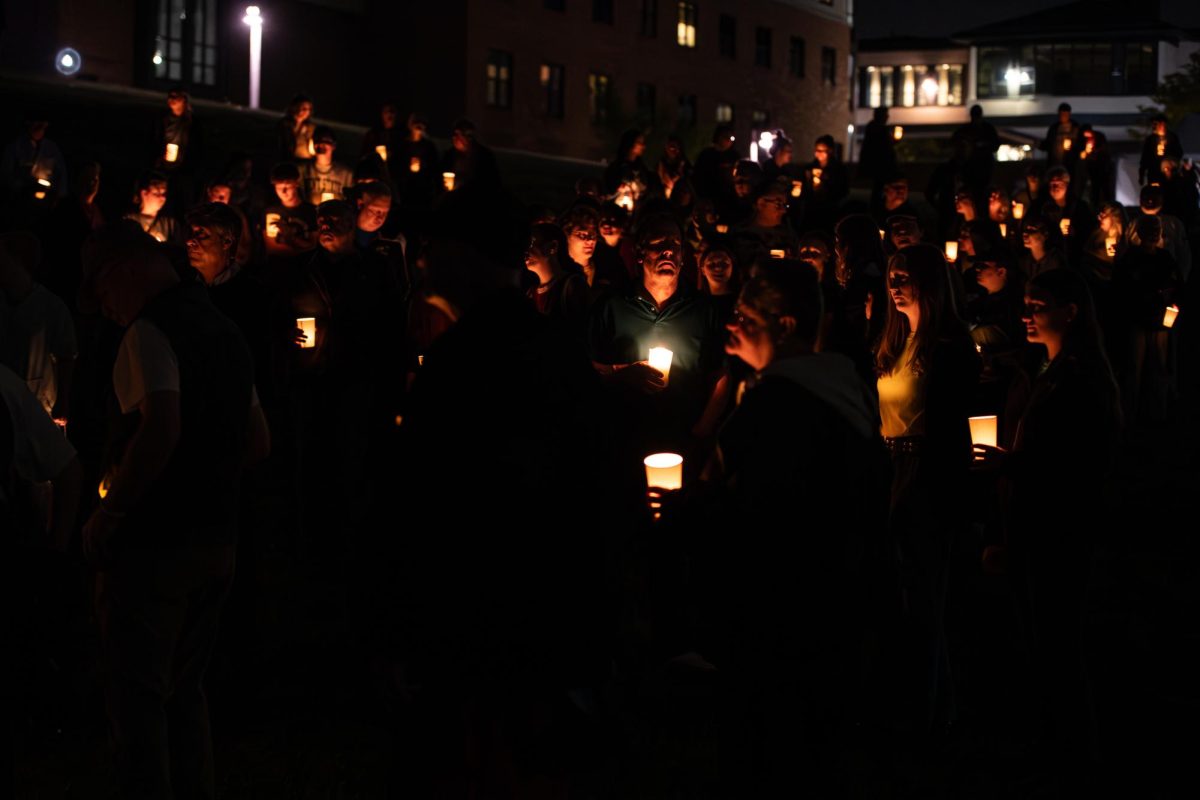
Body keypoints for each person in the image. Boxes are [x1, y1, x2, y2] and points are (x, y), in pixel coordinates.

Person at [78, 224, 269, 800]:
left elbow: (161, 424)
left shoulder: (150, 330)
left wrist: (110, 514)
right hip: (219, 541)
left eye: (104, 295)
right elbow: (258, 441)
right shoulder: (226, 331)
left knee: (138, 698)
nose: (107, 311)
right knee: (186, 689)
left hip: (155, 546)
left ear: (126, 269)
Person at [688, 262, 891, 795]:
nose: (731, 326)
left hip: (780, 622)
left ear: (784, 325)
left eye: (745, 316)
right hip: (839, 613)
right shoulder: (842, 390)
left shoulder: (779, 405)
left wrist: (689, 508)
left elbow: (755, 519)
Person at [975, 268, 1121, 788]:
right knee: (1048, 641)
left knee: (1058, 644)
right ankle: (1060, 746)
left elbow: (1072, 465)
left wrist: (1008, 465)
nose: (1026, 313)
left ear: (1070, 312)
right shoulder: (1054, 369)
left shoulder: (1078, 378)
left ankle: (1074, 757)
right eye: (1027, 304)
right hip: (1044, 527)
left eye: (1038, 305)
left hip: (1059, 532)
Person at [874, 243, 979, 734]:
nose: (895, 285)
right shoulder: (894, 342)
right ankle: (917, 699)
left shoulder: (950, 346)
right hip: (891, 466)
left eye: (905, 277)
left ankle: (936, 707)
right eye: (892, 276)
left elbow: (954, 419)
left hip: (926, 471)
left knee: (925, 592)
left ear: (930, 282)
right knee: (900, 589)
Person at [588, 215, 729, 452]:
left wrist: (703, 428)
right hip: (624, 434)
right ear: (640, 253)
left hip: (685, 434)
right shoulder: (611, 305)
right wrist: (622, 373)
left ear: (683, 256)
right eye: (658, 244)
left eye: (674, 244)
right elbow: (587, 369)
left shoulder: (704, 309)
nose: (667, 252)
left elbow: (721, 374)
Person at [0, 231, 77, 421]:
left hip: (37, 405)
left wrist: (63, 401)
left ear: (18, 260)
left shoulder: (51, 307)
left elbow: (66, 355)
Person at [1112, 215, 1179, 424]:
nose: (1152, 234)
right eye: (1147, 230)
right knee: (1134, 368)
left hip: (1160, 321)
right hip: (1137, 320)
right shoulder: (1130, 259)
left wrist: (1173, 302)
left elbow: (1177, 284)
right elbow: (1121, 289)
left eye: (1155, 230)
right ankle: (1130, 417)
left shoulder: (1165, 258)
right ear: (1139, 234)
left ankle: (1157, 414)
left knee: (1159, 366)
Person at [524, 222, 588, 337]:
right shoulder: (531, 293)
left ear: (553, 247)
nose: (526, 250)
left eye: (532, 242)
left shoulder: (572, 285)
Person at [1, 114, 68, 205]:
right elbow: (7, 174)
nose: (41, 127)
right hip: (21, 199)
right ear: (29, 124)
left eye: (43, 124)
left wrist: (58, 197)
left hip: (46, 200)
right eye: (37, 124)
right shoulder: (15, 147)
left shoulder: (52, 148)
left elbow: (61, 173)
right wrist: (24, 187)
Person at [262, 162, 318, 263]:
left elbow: (314, 247)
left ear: (297, 183)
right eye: (279, 187)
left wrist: (289, 236)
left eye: (287, 186)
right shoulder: (271, 213)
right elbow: (271, 249)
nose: (283, 192)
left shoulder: (312, 211)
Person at [952, 104, 1000, 199]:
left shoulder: (985, 129)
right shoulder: (985, 129)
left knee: (980, 194)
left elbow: (995, 145)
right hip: (972, 168)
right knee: (974, 195)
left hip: (982, 168)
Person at [803, 135, 849, 232]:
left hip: (829, 210)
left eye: (821, 150)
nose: (817, 153)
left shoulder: (838, 169)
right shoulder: (810, 168)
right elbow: (804, 190)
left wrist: (827, 181)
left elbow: (843, 190)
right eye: (816, 150)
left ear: (830, 151)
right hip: (811, 210)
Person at [299, 126, 354, 206]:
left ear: (334, 145)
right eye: (317, 140)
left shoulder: (346, 174)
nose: (321, 144)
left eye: (326, 141)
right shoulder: (302, 170)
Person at [124, 171, 182, 245]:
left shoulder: (170, 224)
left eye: (164, 193)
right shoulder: (129, 220)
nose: (162, 198)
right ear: (144, 193)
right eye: (157, 193)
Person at [693, 124, 739, 204]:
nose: (729, 140)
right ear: (718, 137)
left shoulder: (734, 156)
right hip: (708, 198)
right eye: (725, 137)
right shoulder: (706, 155)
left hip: (729, 200)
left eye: (731, 138)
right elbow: (698, 176)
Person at [859, 107, 898, 199]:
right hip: (881, 164)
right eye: (886, 114)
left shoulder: (873, 127)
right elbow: (882, 146)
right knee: (879, 188)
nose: (888, 116)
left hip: (880, 164)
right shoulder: (878, 128)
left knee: (879, 188)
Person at [1139, 114, 1183, 186]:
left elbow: (1179, 153)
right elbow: (1145, 157)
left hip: (1169, 173)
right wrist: (1141, 174)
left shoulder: (1172, 137)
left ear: (1164, 124)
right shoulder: (1150, 139)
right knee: (1155, 192)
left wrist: (1170, 162)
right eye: (1154, 124)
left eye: (1156, 124)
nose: (1154, 126)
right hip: (1154, 172)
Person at [1040, 102, 1082, 170]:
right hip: (1054, 161)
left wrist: (1073, 146)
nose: (1062, 116)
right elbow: (1048, 142)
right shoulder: (1054, 127)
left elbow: (1080, 142)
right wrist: (1040, 145)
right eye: (1061, 114)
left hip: (1070, 161)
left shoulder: (1075, 127)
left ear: (1069, 114)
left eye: (1064, 114)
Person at [279, 94, 316, 162]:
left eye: (307, 109)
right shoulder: (284, 125)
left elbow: (312, 149)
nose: (304, 111)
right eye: (302, 108)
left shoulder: (311, 128)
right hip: (286, 161)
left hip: (304, 161)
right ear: (293, 107)